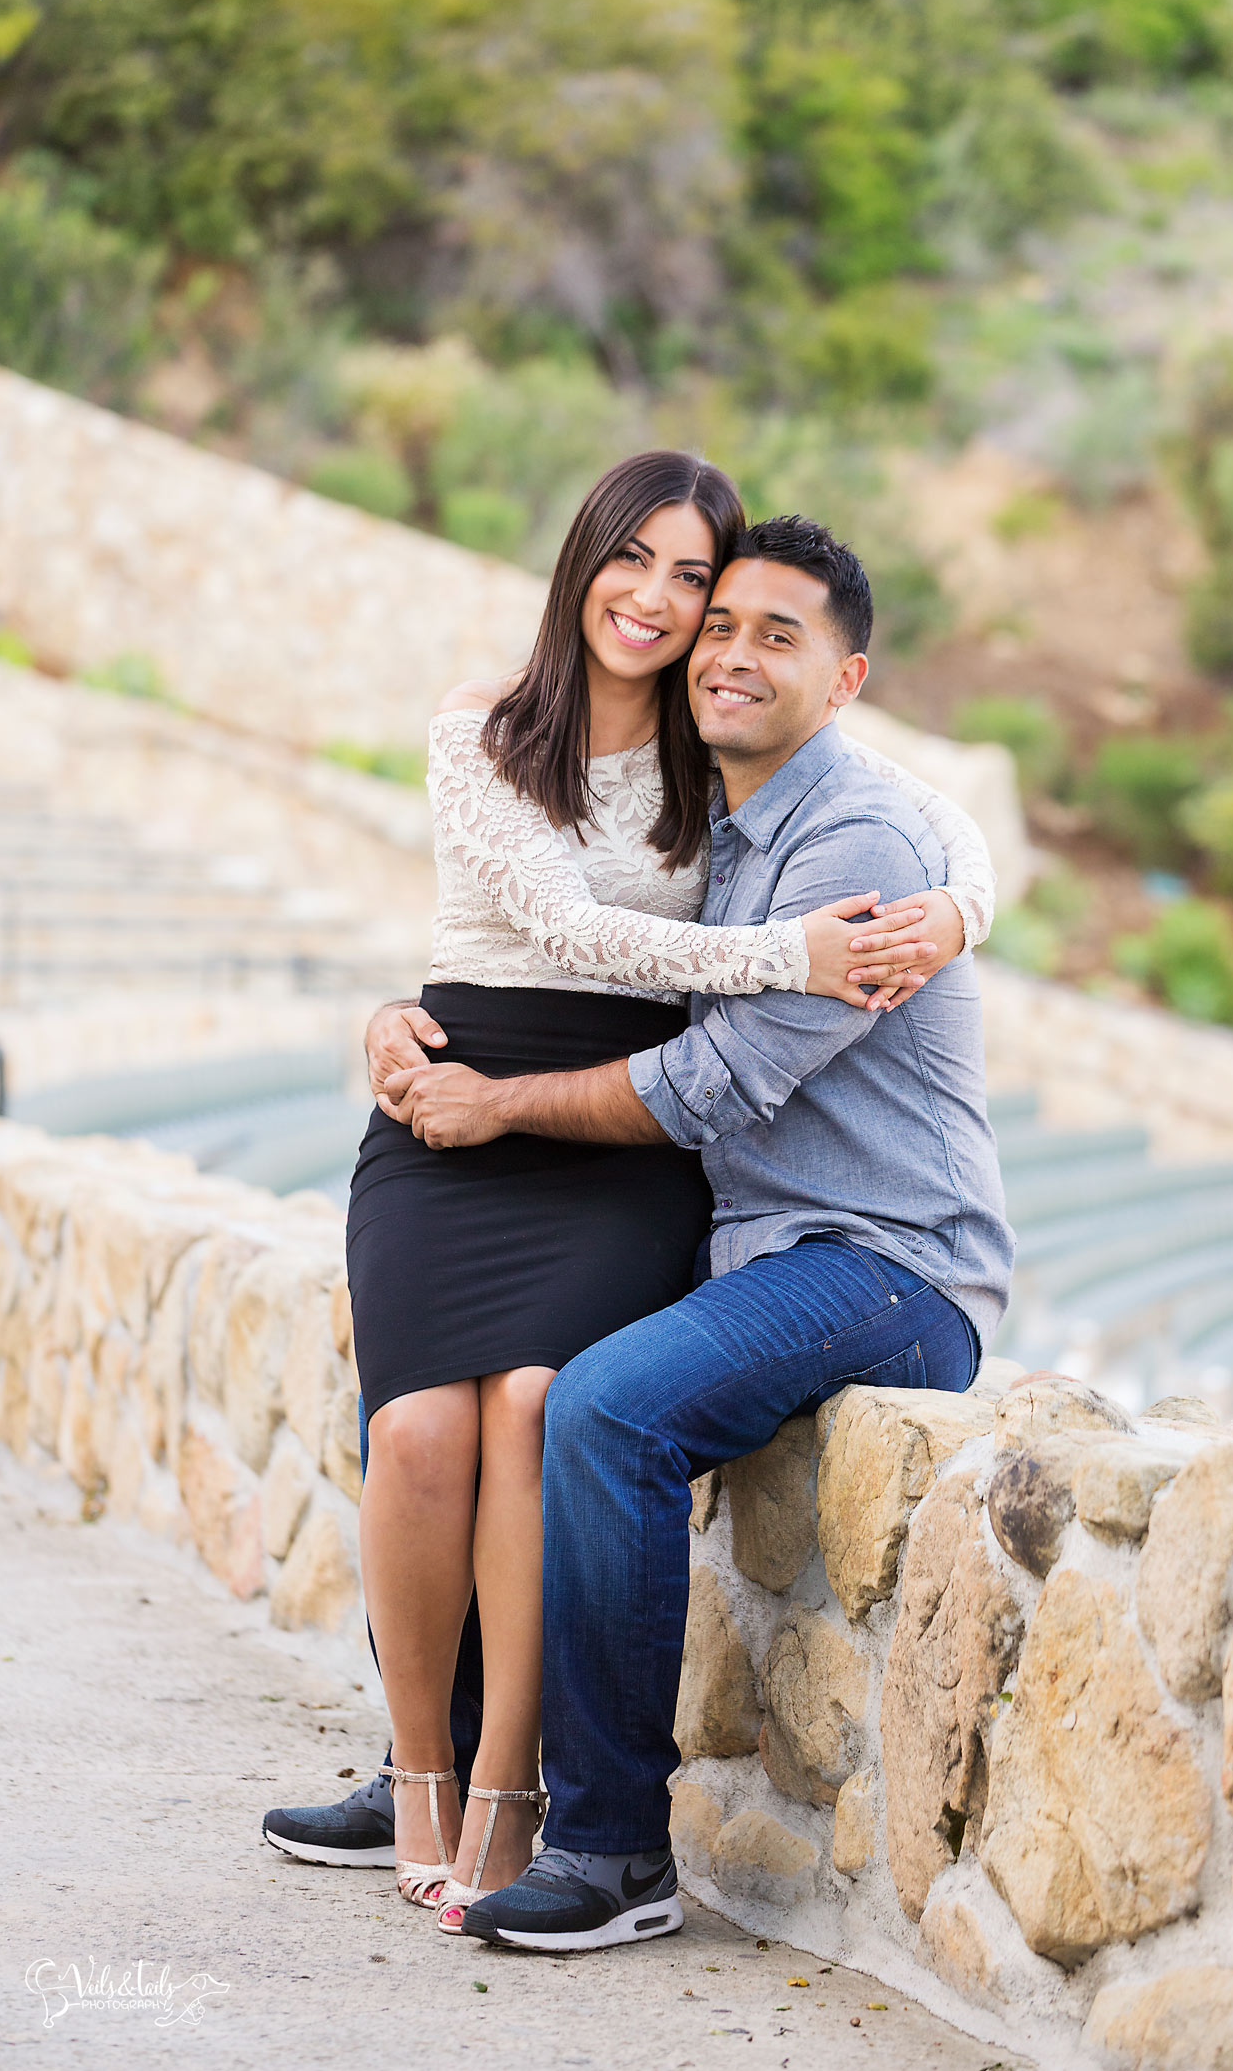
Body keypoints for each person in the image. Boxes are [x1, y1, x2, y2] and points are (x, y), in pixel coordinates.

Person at [261, 456, 997, 1924]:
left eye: (720, 599)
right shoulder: (594, 746)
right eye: (672, 586)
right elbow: (549, 925)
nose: (686, 621)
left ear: (837, 673)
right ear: (586, 558)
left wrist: (963, 903)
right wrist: (416, 1041)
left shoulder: (799, 806)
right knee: (426, 1430)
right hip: (579, 1146)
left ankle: (578, 1830)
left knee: (564, 1406)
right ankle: (439, 1762)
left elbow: (725, 1066)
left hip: (802, 1219)